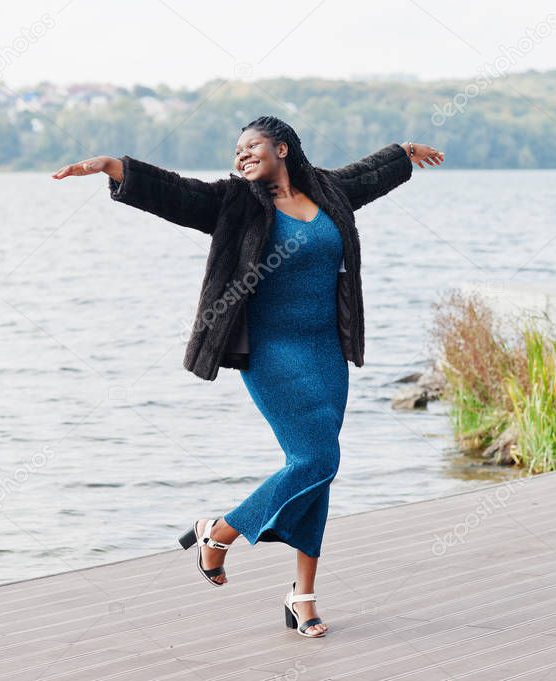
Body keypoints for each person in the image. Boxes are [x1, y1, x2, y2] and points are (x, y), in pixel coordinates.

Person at [52, 116, 443, 637]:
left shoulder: (327, 190)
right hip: (269, 351)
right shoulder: (235, 203)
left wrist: (403, 152)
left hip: (327, 349)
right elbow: (178, 192)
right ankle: (219, 532)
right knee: (316, 458)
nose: (241, 155)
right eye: (236, 150)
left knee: (317, 471)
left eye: (251, 145)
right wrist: (116, 168)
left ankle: (302, 596)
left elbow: (366, 174)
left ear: (282, 148)